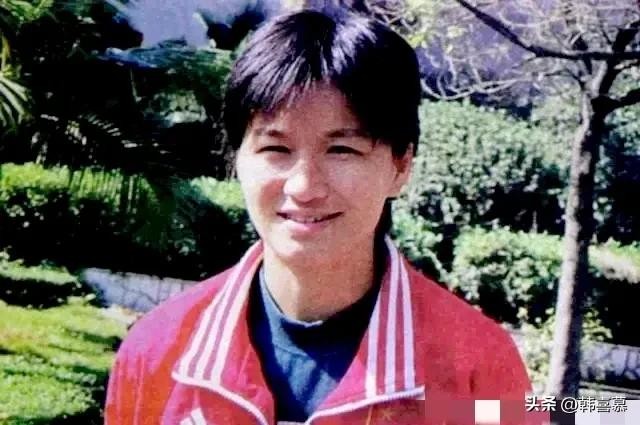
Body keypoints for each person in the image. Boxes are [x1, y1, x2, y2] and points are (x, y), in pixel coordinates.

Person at [105, 9, 532, 425]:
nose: (303, 187)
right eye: (276, 149)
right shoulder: (158, 351)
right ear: (237, 158)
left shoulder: (479, 369)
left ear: (401, 166)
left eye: (342, 150)